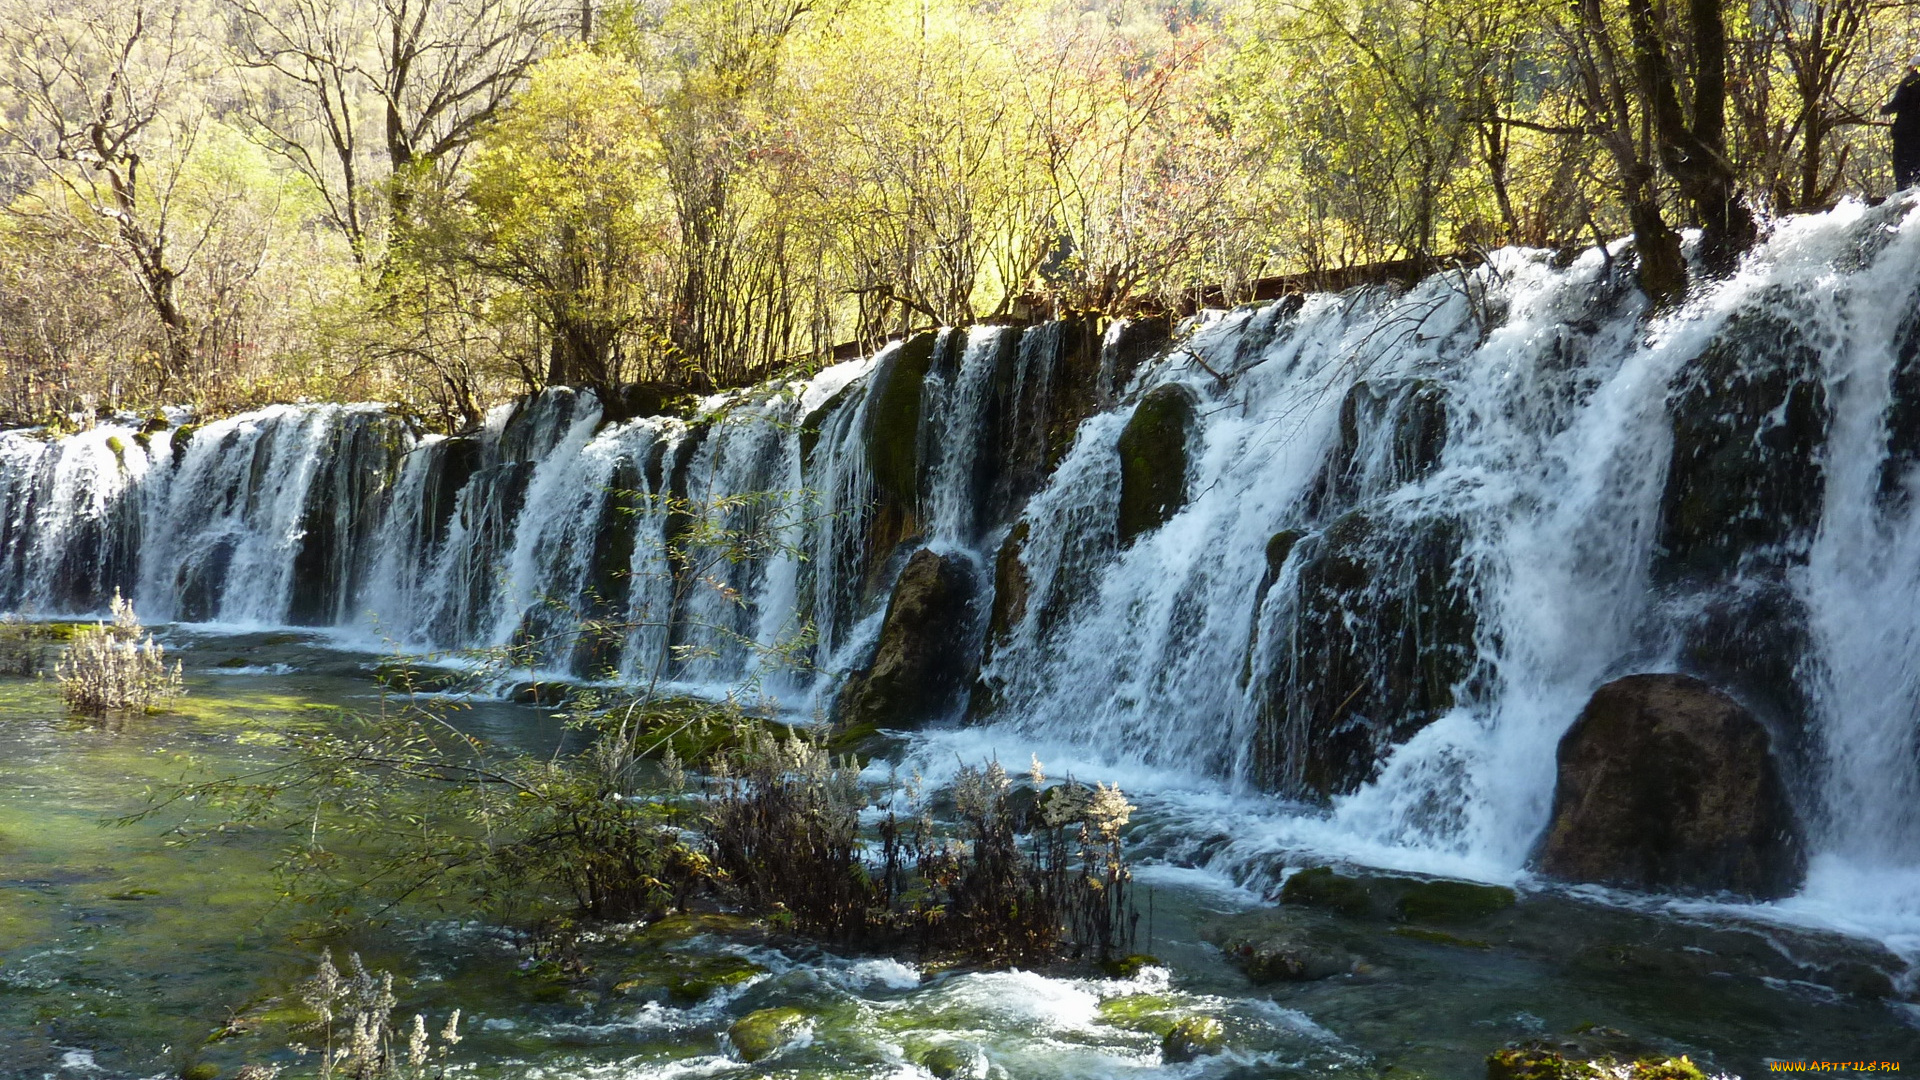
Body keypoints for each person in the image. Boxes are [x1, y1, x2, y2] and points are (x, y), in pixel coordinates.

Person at [1885, 58, 1920, 191]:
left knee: (1902, 172)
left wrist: (1883, 109)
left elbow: (1897, 104)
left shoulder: (1908, 83)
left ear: (1913, 67)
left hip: (1905, 134)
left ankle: (1904, 196)